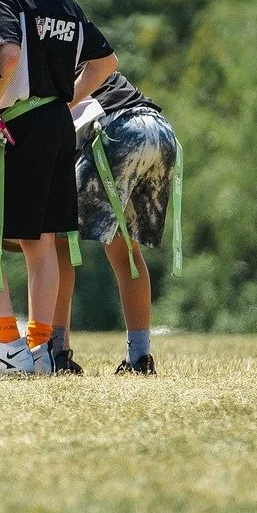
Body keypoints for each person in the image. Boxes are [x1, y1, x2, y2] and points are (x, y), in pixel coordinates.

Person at [0, 0, 117, 377]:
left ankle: (10, 349)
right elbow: (105, 63)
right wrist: (67, 101)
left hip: (18, 126)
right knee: (43, 242)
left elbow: (7, 58)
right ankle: (42, 347)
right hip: (57, 123)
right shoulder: (64, 0)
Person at [57, 70, 180, 375]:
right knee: (125, 250)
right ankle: (139, 358)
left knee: (56, 240)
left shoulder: (46, 62)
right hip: (159, 131)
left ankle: (56, 352)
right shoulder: (81, 48)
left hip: (118, 131)